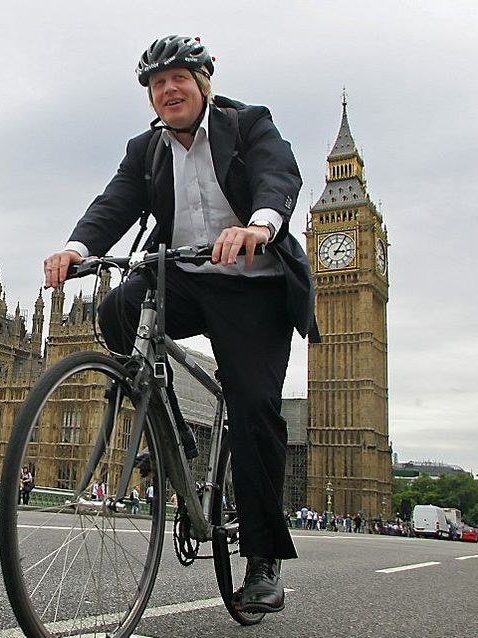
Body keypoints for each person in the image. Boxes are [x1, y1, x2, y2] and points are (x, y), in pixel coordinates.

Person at [42, 35, 318, 614]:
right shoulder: (145, 150)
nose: (169, 89)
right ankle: (165, 418)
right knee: (117, 308)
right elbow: (114, 202)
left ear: (203, 83)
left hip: (254, 283)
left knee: (254, 408)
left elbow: (278, 176)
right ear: (151, 96)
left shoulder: (248, 125)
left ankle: (264, 561)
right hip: (185, 274)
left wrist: (260, 225)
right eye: (157, 83)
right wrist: (75, 247)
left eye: (179, 79)